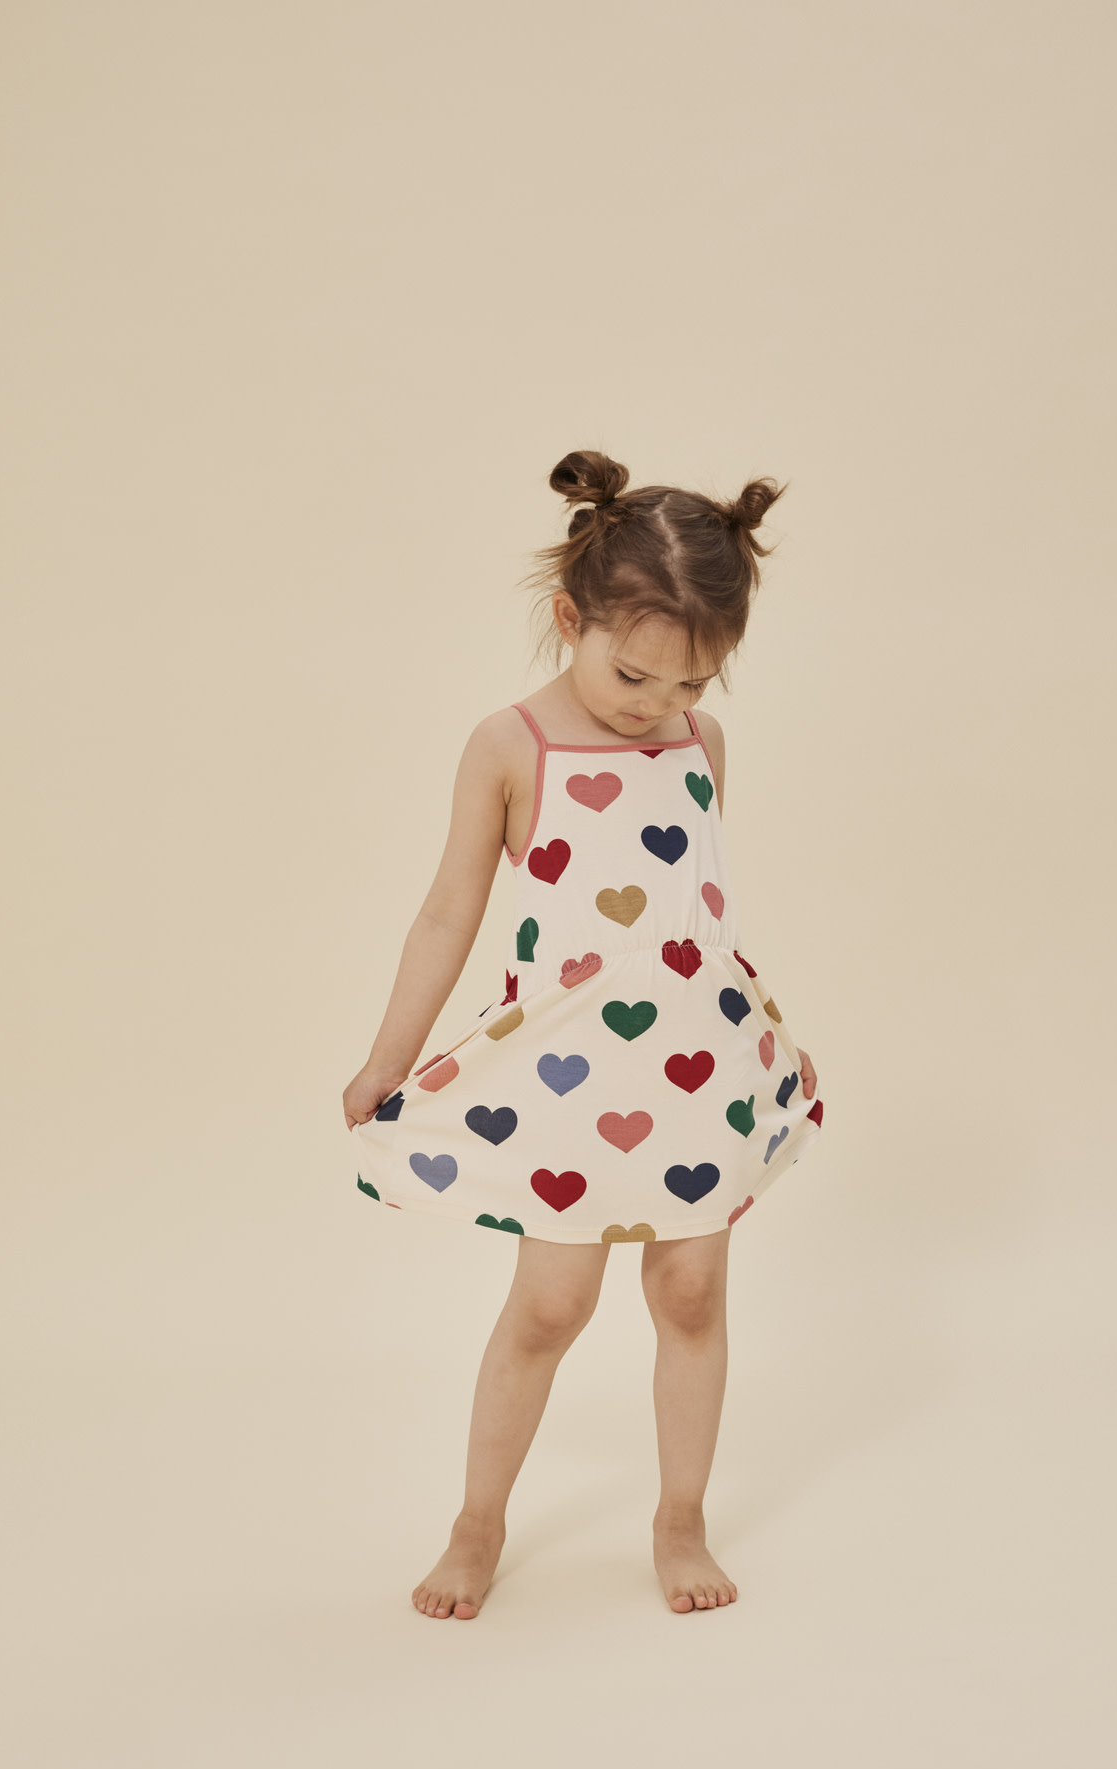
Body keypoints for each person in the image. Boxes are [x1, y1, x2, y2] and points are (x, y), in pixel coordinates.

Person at [342, 448, 823, 1619]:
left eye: (691, 682)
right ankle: (477, 1522)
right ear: (571, 620)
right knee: (552, 1304)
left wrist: (770, 1041)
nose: (658, 705)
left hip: (694, 1066)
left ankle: (680, 1517)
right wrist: (390, 1056)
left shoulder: (701, 747)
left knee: (692, 1292)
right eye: (634, 674)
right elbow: (450, 910)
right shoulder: (510, 745)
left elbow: (699, 922)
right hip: (568, 1074)